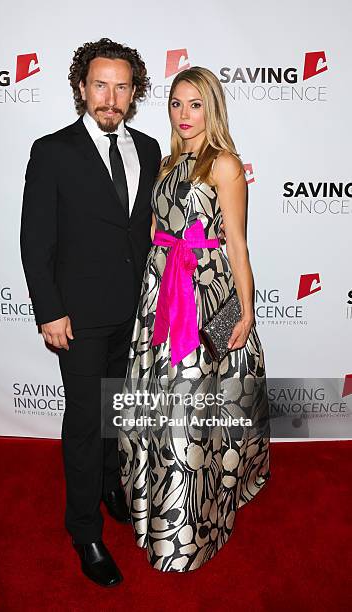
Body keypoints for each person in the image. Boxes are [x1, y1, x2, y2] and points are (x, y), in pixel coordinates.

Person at [20, 38, 162, 587]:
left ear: (134, 92)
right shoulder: (52, 150)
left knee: (115, 413)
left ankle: (110, 487)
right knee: (83, 422)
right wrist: (49, 310)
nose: (111, 96)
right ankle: (84, 531)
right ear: (82, 88)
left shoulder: (149, 148)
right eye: (100, 84)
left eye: (122, 86)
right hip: (77, 316)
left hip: (135, 313)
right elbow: (36, 240)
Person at [119, 66, 271, 572]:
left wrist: (246, 311)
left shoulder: (224, 165)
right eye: (176, 104)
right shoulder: (166, 164)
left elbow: (237, 244)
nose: (184, 115)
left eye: (195, 104)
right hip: (159, 292)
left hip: (204, 296)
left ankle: (193, 527)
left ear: (213, 107)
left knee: (194, 410)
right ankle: (158, 512)